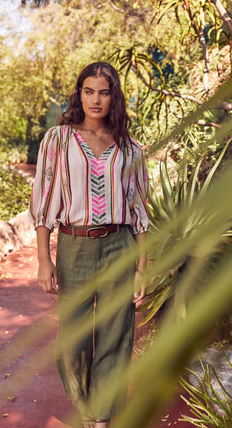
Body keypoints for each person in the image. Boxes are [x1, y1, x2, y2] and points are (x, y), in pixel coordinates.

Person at [29, 62, 149, 428]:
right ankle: (85, 405)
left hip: (120, 245)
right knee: (73, 338)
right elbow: (44, 199)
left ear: (115, 97)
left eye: (104, 92)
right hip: (74, 246)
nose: (96, 100)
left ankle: (99, 417)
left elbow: (140, 211)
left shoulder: (131, 148)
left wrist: (143, 268)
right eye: (89, 91)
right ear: (79, 94)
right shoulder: (58, 139)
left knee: (117, 333)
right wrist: (43, 259)